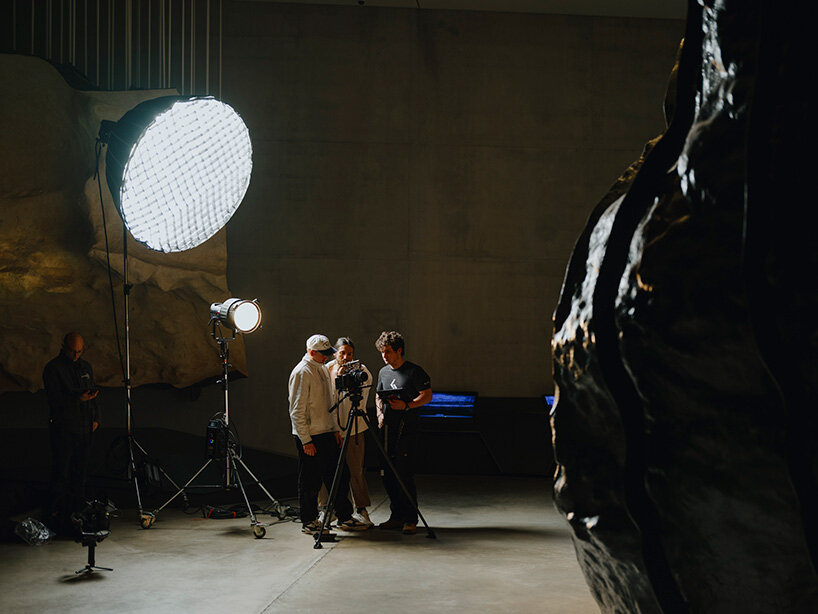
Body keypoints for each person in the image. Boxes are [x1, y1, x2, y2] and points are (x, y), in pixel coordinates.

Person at [288, 334, 367, 534]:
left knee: (339, 476)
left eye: (327, 353)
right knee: (310, 480)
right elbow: (296, 410)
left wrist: (335, 430)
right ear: (311, 352)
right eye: (323, 354)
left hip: (326, 433)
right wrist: (305, 440)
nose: (326, 357)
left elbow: (330, 403)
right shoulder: (302, 372)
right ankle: (309, 521)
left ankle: (344, 516)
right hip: (311, 435)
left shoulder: (322, 369)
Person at [374, 331, 433, 535]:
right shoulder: (383, 372)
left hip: (407, 432)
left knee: (404, 475)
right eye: (382, 352)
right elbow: (378, 396)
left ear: (399, 350)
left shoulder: (414, 372)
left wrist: (407, 405)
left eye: (388, 352)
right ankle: (396, 516)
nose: (385, 356)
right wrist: (380, 414)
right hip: (388, 431)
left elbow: (427, 396)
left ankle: (410, 519)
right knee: (388, 476)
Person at [43, 332, 100, 533]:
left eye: (79, 351)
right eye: (72, 351)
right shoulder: (53, 368)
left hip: (85, 428)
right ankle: (54, 518)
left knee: (80, 474)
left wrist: (96, 418)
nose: (75, 355)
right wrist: (78, 399)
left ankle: (77, 516)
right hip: (64, 429)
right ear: (63, 346)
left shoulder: (85, 367)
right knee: (61, 475)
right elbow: (54, 400)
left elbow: (92, 394)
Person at [319, 337, 374, 527]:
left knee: (355, 470)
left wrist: (349, 382)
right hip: (330, 428)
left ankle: (362, 509)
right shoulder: (326, 370)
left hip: (354, 428)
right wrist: (337, 381)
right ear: (335, 352)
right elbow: (326, 400)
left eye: (349, 353)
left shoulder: (362, 371)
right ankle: (326, 509)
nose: (346, 356)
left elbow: (359, 400)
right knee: (328, 469)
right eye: (342, 352)